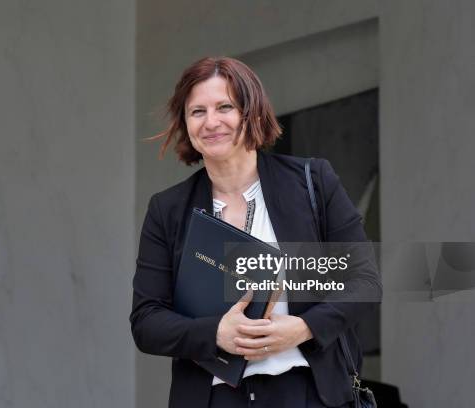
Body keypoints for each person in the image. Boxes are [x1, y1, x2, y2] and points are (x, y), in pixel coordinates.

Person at [130, 56, 382, 408]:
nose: (211, 122)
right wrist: (215, 332)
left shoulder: (313, 182)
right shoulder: (167, 209)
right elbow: (147, 321)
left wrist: (303, 328)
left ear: (252, 112)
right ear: (185, 123)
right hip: (215, 399)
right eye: (197, 111)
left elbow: (365, 282)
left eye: (225, 107)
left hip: (308, 393)